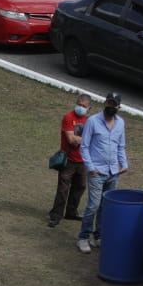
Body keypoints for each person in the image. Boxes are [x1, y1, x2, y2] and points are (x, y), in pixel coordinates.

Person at [77, 92, 129, 253]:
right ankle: (83, 237)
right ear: (105, 103)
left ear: (118, 107)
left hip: (113, 172)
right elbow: (84, 146)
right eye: (108, 103)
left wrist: (124, 164)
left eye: (114, 104)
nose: (110, 106)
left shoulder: (120, 123)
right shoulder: (93, 121)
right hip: (97, 172)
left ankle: (98, 235)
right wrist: (91, 167)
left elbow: (120, 146)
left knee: (105, 206)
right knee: (93, 205)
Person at [47, 93, 91, 228]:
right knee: (63, 189)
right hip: (69, 160)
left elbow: (91, 140)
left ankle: (71, 212)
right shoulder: (68, 117)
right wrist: (85, 140)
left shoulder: (89, 121)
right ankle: (56, 215)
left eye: (84, 106)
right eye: (79, 104)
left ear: (89, 108)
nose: (80, 107)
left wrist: (81, 140)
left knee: (80, 186)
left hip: (83, 161)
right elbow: (72, 140)